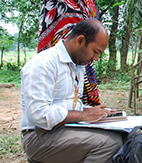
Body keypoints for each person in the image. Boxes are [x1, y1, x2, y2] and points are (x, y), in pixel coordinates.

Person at [21, 19, 123, 163]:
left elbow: (69, 106)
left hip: (64, 130)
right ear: (80, 40)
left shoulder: (77, 66)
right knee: (110, 143)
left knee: (125, 136)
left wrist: (93, 112)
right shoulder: (44, 64)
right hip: (38, 136)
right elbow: (39, 115)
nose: (96, 58)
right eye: (95, 52)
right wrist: (83, 115)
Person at [38, 0, 101, 106]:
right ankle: (61, 113)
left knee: (84, 80)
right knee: (63, 81)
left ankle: (85, 111)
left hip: (85, 43)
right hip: (61, 43)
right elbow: (49, 16)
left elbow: (92, 16)